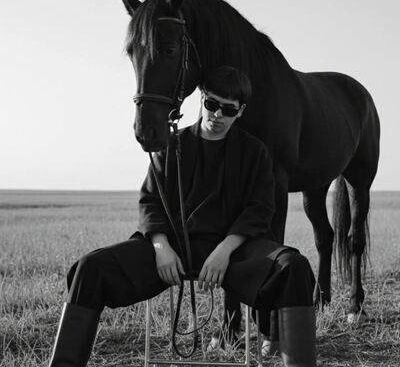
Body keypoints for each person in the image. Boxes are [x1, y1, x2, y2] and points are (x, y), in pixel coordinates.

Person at [48, 66, 317, 367]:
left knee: (293, 267)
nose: (217, 115)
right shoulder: (171, 145)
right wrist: (160, 246)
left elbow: (260, 209)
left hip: (233, 253)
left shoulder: (255, 152)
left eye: (228, 110)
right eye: (212, 104)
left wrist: (225, 250)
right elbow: (150, 200)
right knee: (89, 268)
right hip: (171, 251)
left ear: (241, 111)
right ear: (201, 99)